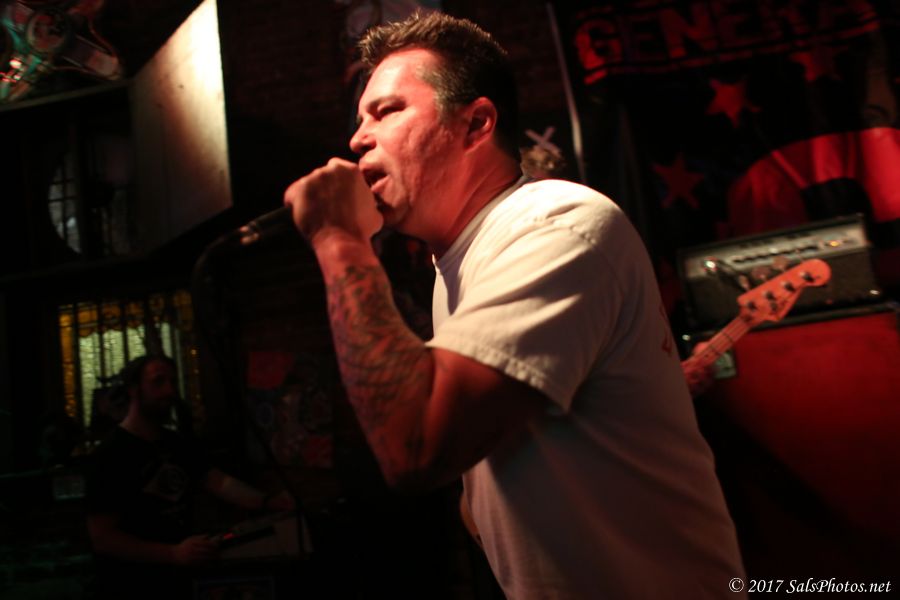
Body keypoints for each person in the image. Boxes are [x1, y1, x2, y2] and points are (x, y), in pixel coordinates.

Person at [283, 11, 745, 599]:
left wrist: (338, 238)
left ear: (476, 124)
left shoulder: (556, 224)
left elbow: (415, 445)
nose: (357, 139)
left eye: (387, 110)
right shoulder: (458, 263)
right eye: (360, 120)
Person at [84, 354, 294, 600]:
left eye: (172, 382)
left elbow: (218, 482)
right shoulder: (109, 455)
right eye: (158, 381)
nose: (169, 390)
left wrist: (268, 502)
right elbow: (103, 538)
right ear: (133, 389)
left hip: (177, 580)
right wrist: (172, 553)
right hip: (133, 585)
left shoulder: (175, 443)